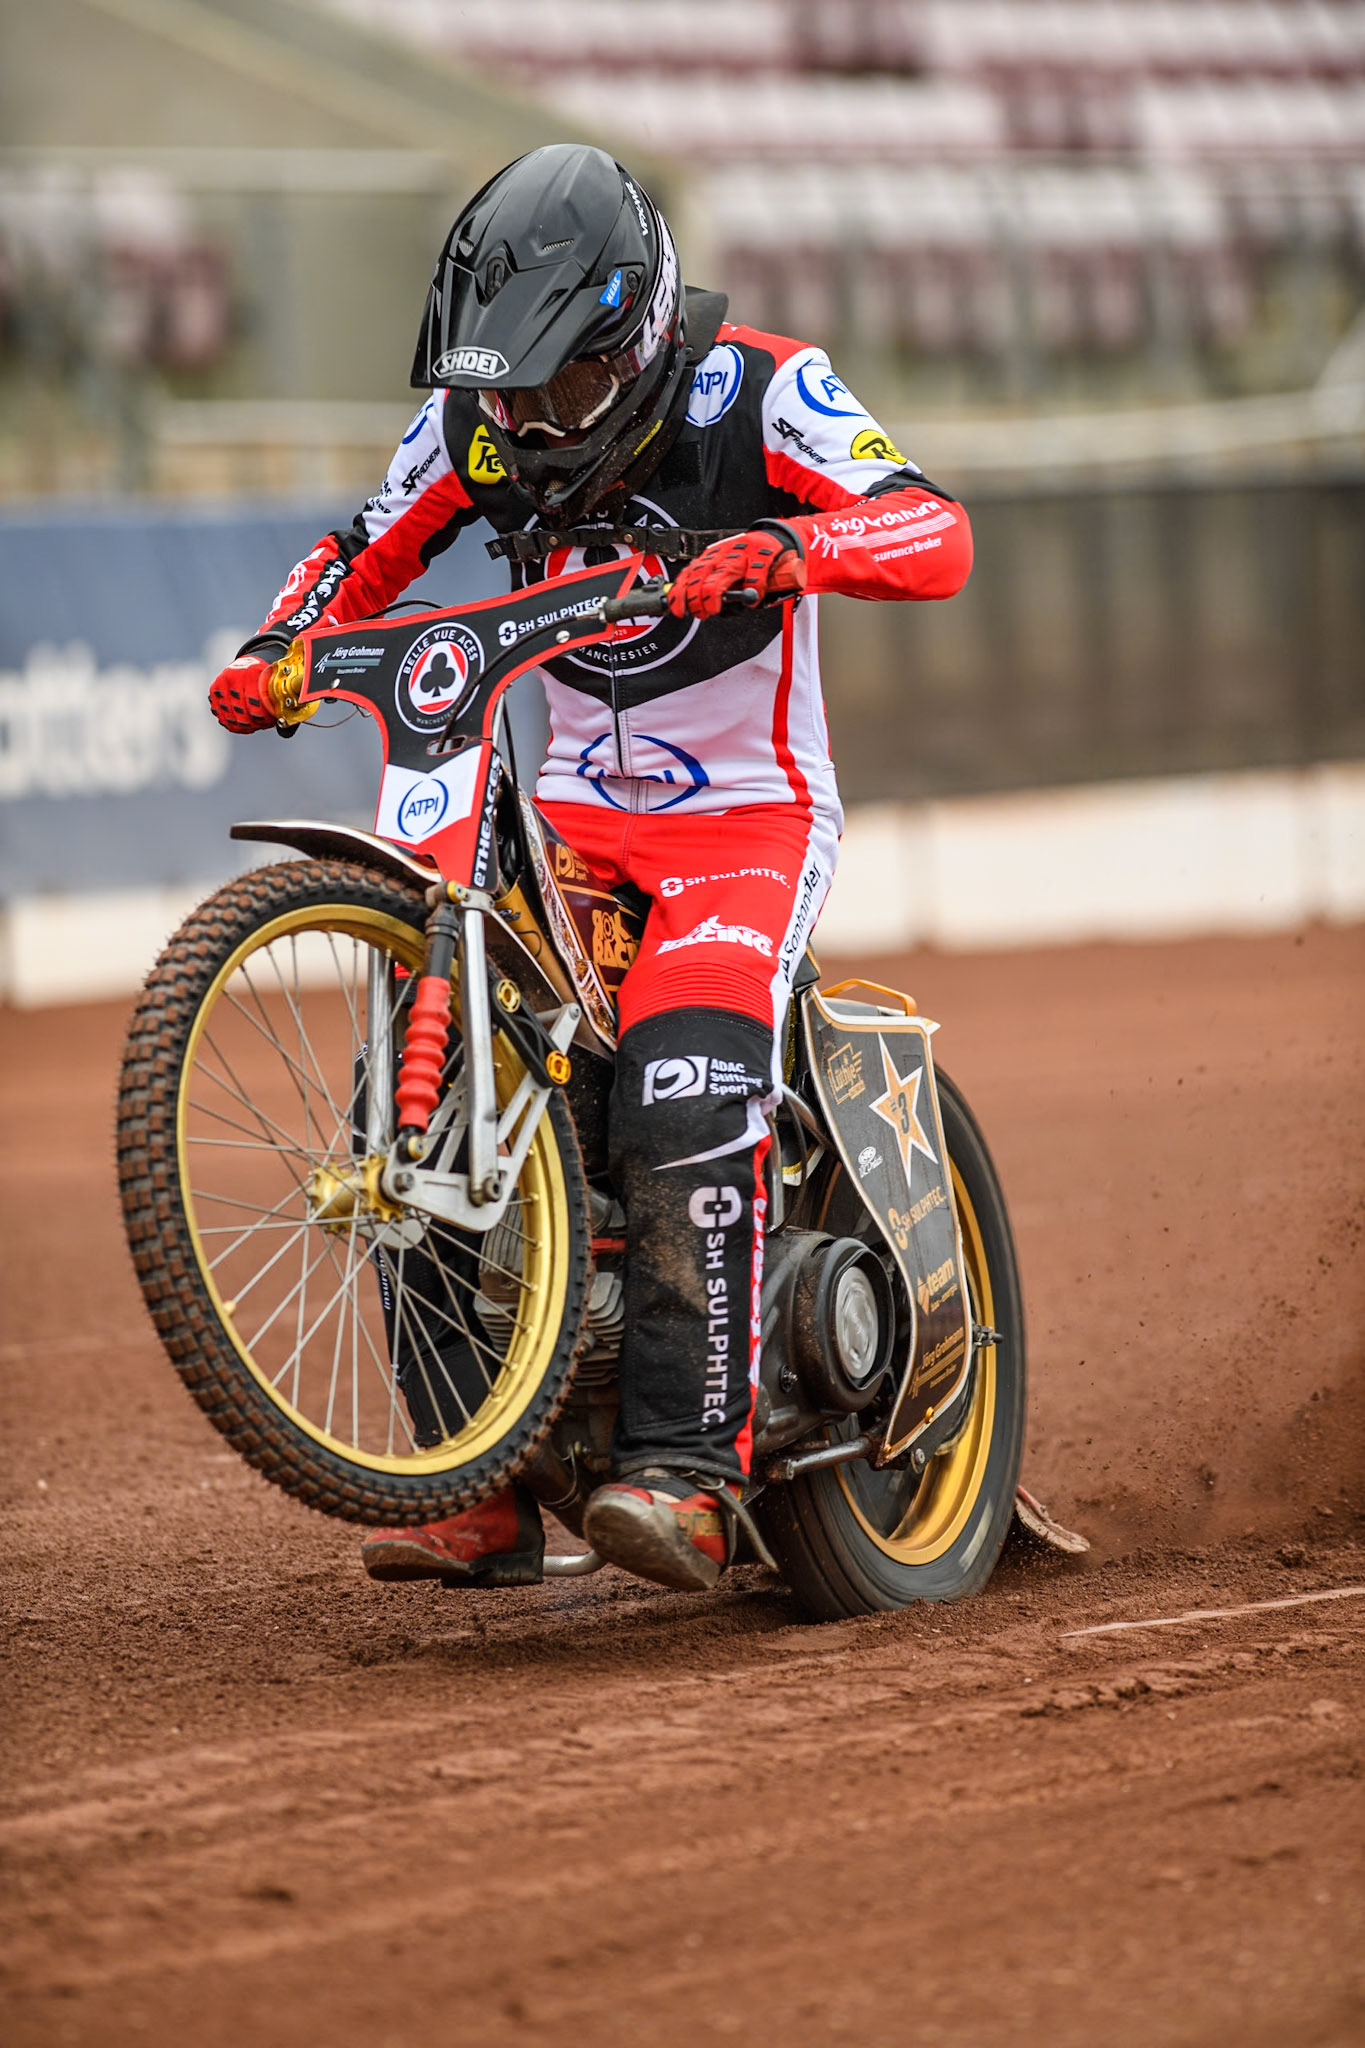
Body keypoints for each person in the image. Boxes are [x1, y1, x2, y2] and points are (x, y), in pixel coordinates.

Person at [209, 144, 973, 1595]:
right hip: (572, 837)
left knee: (685, 1082)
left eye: (557, 389)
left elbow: (933, 532)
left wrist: (783, 551)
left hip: (742, 828)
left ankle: (683, 1476)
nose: (525, 425)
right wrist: (274, 650)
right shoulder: (474, 427)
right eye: (503, 393)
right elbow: (361, 552)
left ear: (636, 336)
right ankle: (478, 1483)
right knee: (414, 1105)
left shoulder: (761, 388)